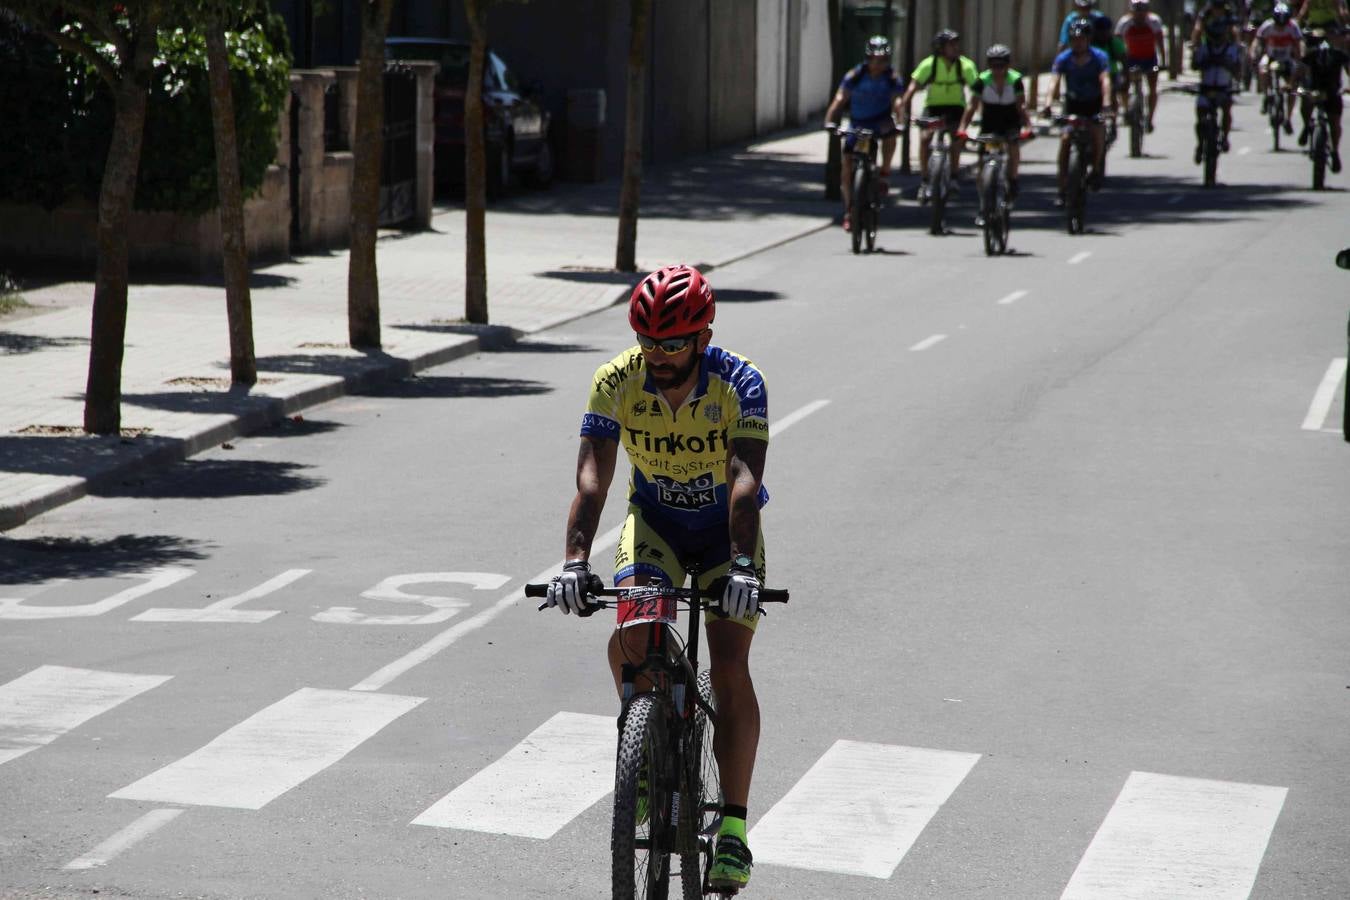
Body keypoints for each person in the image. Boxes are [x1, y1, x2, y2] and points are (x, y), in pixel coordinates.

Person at [545, 264, 770, 892]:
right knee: (635, 634)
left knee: (727, 662)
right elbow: (593, 480)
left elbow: (745, 482)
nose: (658, 355)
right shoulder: (615, 381)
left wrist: (745, 569)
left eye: (672, 344)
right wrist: (574, 562)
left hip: (727, 533)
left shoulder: (741, 383)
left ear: (703, 336)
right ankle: (643, 751)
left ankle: (732, 831)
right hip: (655, 529)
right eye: (647, 341)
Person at [824, 35, 906, 231]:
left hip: (880, 120)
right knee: (847, 162)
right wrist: (829, 121)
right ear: (867, 58)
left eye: (884, 60)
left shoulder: (892, 77)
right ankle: (849, 210)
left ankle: (884, 173)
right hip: (858, 122)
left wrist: (901, 120)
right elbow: (839, 99)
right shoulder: (855, 75)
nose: (879, 64)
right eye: (875, 60)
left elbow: (898, 102)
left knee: (891, 134)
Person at [900, 29, 979, 203]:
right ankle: (925, 180)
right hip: (933, 107)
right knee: (924, 138)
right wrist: (904, 106)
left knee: (957, 138)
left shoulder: (965, 65)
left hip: (956, 108)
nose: (956, 48)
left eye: (956, 44)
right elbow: (913, 86)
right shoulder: (930, 64)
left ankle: (954, 177)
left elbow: (977, 89)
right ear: (941, 48)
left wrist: (975, 109)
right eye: (951, 45)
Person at [957, 43, 1033, 218]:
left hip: (1010, 122)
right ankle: (984, 205)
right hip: (990, 124)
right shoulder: (982, 80)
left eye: (1001, 65)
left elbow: (1021, 106)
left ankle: (1013, 180)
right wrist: (962, 128)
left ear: (1008, 64)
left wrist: (1028, 127)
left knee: (1013, 147)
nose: (998, 69)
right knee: (983, 162)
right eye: (993, 65)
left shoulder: (1015, 80)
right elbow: (971, 106)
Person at [1043, 20, 1114, 203]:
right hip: (1072, 104)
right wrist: (1048, 103)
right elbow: (1054, 81)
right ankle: (1061, 188)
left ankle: (1097, 170)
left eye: (1081, 39)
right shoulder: (1064, 58)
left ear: (1088, 39)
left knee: (1098, 133)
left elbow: (1105, 80)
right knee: (1065, 141)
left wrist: (1106, 103)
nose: (1078, 43)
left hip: (1094, 103)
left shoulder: (1099, 57)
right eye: (1074, 39)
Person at [1298, 25, 1349, 171]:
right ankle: (1307, 126)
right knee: (1305, 102)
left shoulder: (1339, 55)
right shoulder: (1312, 54)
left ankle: (1335, 151)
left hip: (1333, 92)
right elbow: (1300, 69)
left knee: (1335, 123)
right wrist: (1292, 85)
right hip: (1315, 91)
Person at [1193, 18, 1242, 160]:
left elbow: (1238, 71)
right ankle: (1200, 143)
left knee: (1227, 108)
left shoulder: (1232, 49)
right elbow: (1195, 65)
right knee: (1200, 113)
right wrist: (1203, 61)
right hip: (1206, 87)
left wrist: (1228, 64)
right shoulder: (1204, 48)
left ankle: (1225, 137)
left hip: (1223, 88)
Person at [1117, 0, 1169, 132]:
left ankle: (1150, 119)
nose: (1139, 15)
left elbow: (1160, 42)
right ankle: (1126, 110)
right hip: (1131, 59)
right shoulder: (1124, 23)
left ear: (1147, 12)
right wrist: (1118, 59)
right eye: (1136, 12)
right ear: (1131, 12)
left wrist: (1163, 61)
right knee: (1124, 85)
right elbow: (1117, 42)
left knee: (1153, 88)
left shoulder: (1154, 22)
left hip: (1150, 59)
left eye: (1142, 12)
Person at [1253, 3, 1304, 128]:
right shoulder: (1267, 26)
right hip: (1271, 57)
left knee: (1294, 88)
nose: (1281, 27)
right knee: (1263, 68)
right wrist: (1254, 53)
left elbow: (1299, 44)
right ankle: (1266, 95)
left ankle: (1288, 118)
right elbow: (1257, 41)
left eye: (1284, 24)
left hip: (1287, 58)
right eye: (1278, 24)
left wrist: (1301, 58)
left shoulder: (1293, 27)